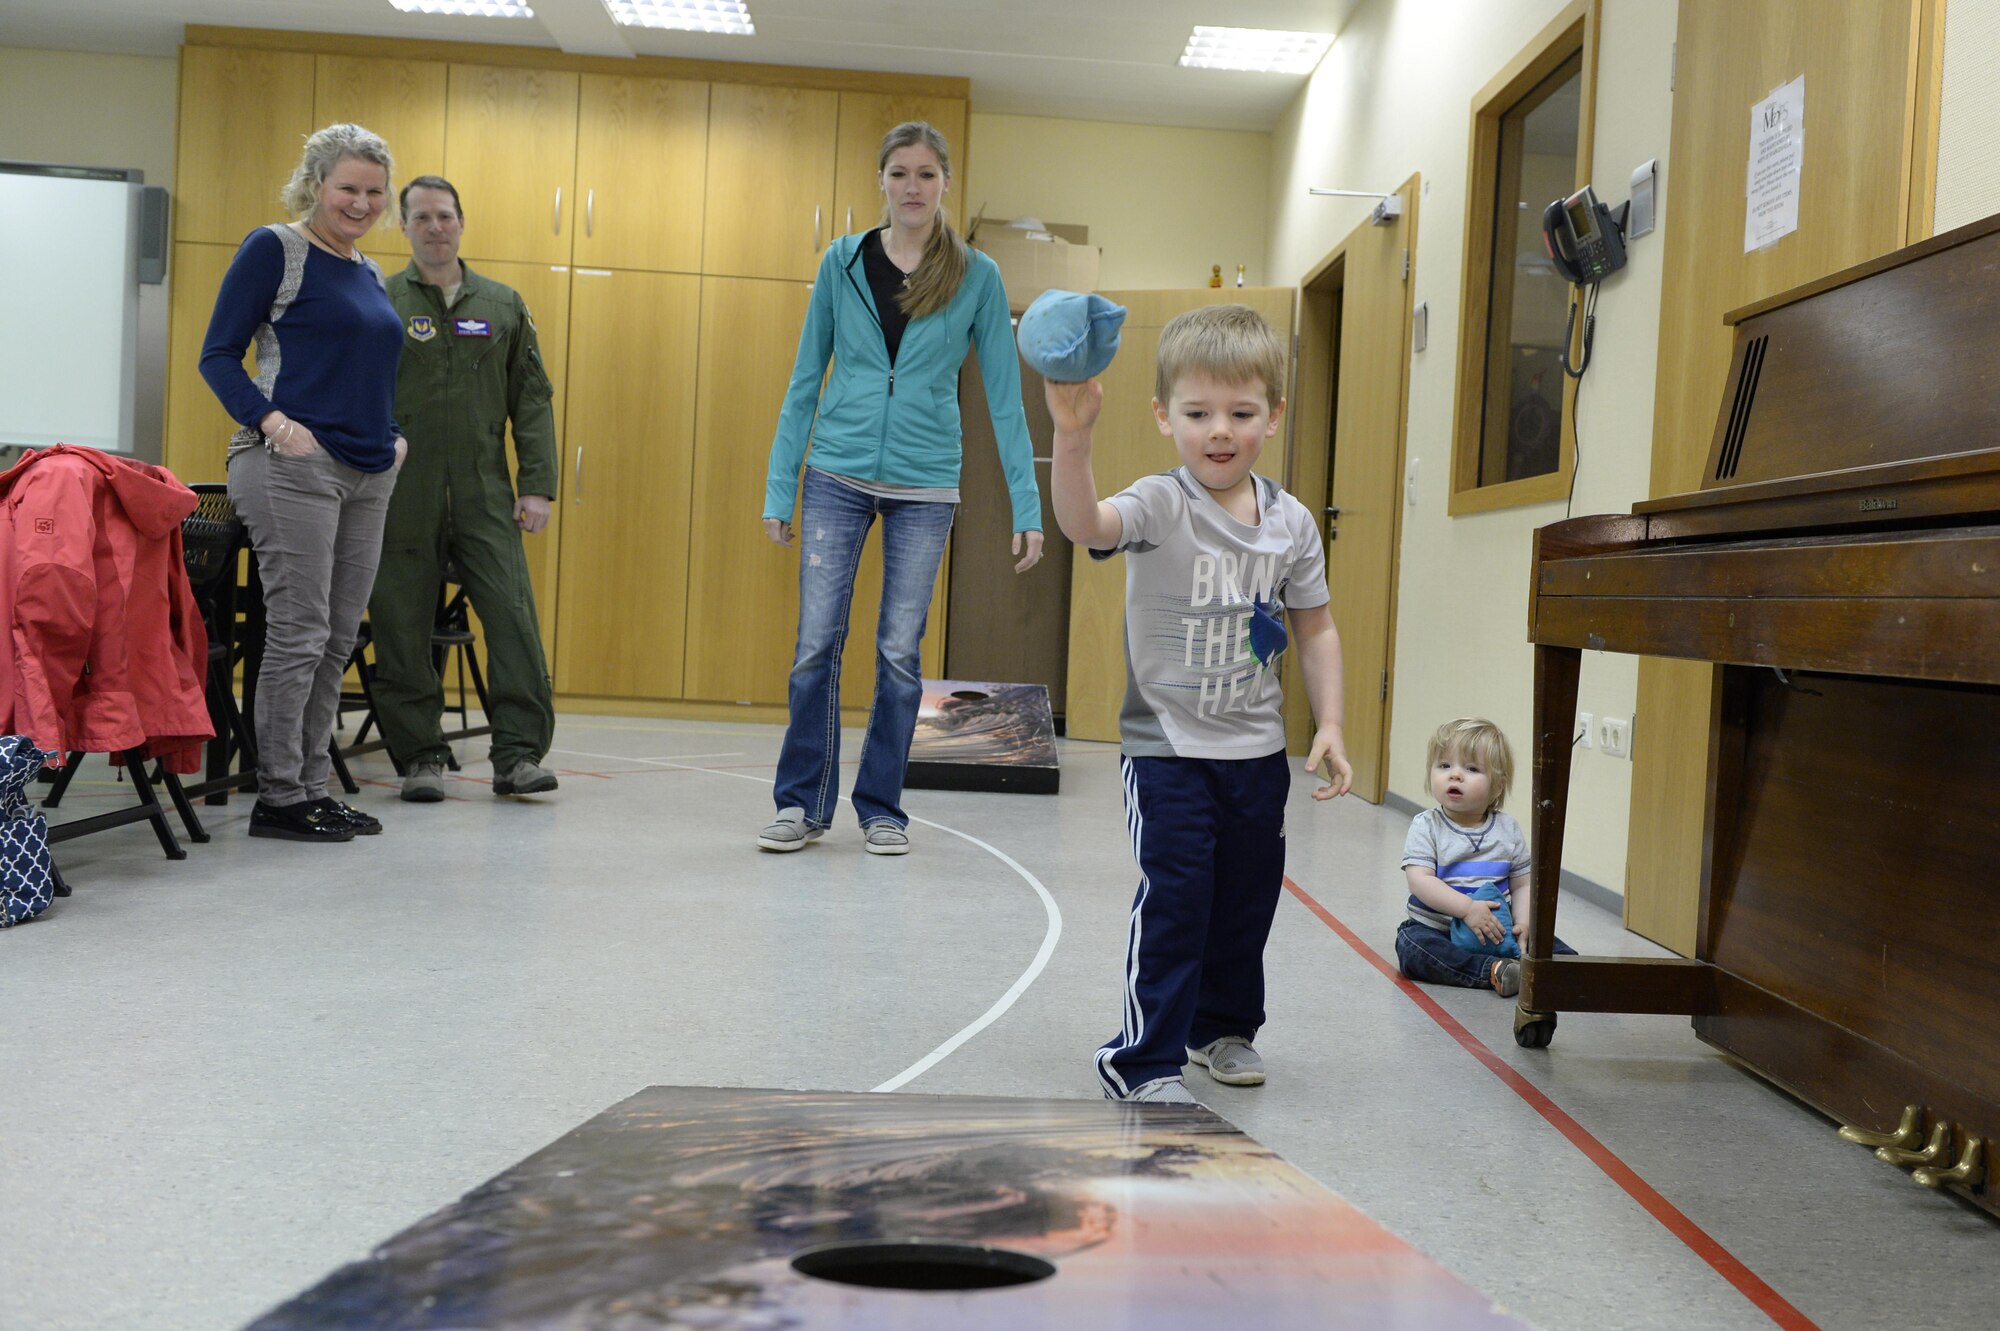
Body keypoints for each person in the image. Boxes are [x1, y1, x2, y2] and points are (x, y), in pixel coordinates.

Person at [1045, 303, 1353, 1105]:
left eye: (1242, 413)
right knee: (1178, 895)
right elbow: (1086, 523)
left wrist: (1331, 723)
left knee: (1244, 901)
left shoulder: (1290, 523)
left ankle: (1221, 1028)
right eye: (1198, 413)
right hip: (1168, 750)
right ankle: (1142, 1058)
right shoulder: (1160, 502)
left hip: (1255, 753)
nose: (1220, 430)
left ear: (1274, 416)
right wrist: (1072, 437)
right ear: (1163, 416)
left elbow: (1315, 627)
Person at [757, 121, 1043, 857]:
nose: (912, 187)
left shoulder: (976, 275)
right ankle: (801, 804)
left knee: (897, 651)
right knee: (815, 643)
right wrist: (779, 487)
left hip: (925, 484)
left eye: (926, 174)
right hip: (836, 472)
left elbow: (1006, 401)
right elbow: (803, 379)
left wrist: (1027, 504)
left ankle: (881, 807)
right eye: (899, 173)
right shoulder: (842, 261)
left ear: (946, 183)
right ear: (881, 182)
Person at [200, 123, 406, 843]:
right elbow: (219, 355)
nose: (361, 202)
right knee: (299, 630)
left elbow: (371, 368)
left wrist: (395, 435)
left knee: (338, 634)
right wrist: (274, 422)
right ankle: (280, 796)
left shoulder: (369, 270)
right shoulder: (276, 249)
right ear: (315, 183)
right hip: (291, 466)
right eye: (348, 187)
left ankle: (313, 786)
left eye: (375, 192)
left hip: (368, 469)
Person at [373, 176, 560, 802]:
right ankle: (421, 758)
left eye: (445, 215)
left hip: (484, 491)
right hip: (399, 493)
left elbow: (532, 401)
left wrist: (537, 487)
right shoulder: (379, 301)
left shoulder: (502, 305)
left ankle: (518, 755)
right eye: (421, 217)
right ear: (403, 226)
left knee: (511, 618)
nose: (434, 227)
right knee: (401, 625)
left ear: (461, 221)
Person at [1395, 717, 1574, 996]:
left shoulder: (1507, 829)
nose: (1455, 775)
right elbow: (1420, 881)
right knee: (1411, 946)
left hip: (1497, 930)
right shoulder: (1426, 826)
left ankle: (1573, 975)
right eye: (1444, 766)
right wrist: (1466, 909)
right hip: (1439, 929)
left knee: (1546, 944)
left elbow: (1522, 884)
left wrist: (1523, 924)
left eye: (1471, 768)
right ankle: (1493, 971)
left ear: (1497, 786)